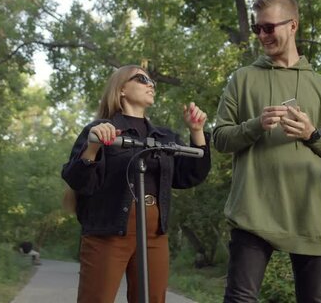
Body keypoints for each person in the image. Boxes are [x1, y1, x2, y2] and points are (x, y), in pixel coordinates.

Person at [213, 0, 321, 303]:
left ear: (293, 26)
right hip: (253, 211)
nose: (262, 35)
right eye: (258, 28)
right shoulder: (242, 79)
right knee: (239, 299)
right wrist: (254, 125)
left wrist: (313, 134)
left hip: (311, 214)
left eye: (269, 27)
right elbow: (219, 138)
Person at [61, 65, 211, 303]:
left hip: (154, 234)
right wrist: (93, 147)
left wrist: (197, 132)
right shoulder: (101, 130)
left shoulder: (164, 137)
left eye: (152, 81)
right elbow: (80, 182)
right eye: (142, 79)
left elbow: (189, 176)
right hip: (108, 231)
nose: (150, 84)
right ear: (121, 89)